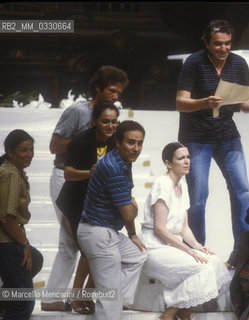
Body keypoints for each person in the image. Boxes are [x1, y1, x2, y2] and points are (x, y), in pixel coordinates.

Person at [176, 19, 249, 245]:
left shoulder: (239, 64)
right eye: (218, 44)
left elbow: (245, 105)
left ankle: (244, 250)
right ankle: (197, 249)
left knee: (242, 190)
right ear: (206, 42)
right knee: (198, 198)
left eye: (227, 43)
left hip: (227, 135)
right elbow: (181, 103)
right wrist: (206, 102)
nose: (223, 48)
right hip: (196, 137)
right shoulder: (194, 63)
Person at [43, 65, 129, 312]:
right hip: (67, 177)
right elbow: (54, 145)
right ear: (98, 89)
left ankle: (57, 297)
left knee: (74, 242)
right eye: (111, 91)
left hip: (92, 182)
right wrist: (91, 135)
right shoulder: (78, 112)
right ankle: (67, 296)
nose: (115, 96)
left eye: (118, 93)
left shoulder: (111, 116)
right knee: (77, 240)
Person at [140, 142, 230, 320]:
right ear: (168, 163)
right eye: (181, 158)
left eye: (188, 157)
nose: (187, 161)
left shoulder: (183, 185)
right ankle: (170, 314)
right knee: (201, 267)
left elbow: (184, 228)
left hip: (169, 245)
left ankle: (184, 313)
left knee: (213, 261)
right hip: (153, 246)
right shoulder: (163, 184)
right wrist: (189, 251)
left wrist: (198, 246)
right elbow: (159, 228)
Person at [77, 120, 147, 319]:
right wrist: (134, 206)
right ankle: (109, 302)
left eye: (139, 143)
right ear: (118, 142)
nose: (136, 148)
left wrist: (132, 234)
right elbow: (128, 212)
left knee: (138, 255)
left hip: (109, 232)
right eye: (131, 142)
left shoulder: (124, 162)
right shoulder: (114, 167)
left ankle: (110, 297)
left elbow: (127, 206)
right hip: (97, 232)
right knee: (110, 302)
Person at [55, 101, 119, 314]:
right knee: (89, 250)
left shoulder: (116, 142)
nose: (110, 126)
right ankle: (76, 297)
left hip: (100, 200)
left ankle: (87, 296)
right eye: (105, 122)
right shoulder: (81, 141)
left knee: (101, 248)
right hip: (76, 200)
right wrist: (90, 173)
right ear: (94, 122)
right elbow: (67, 173)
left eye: (114, 122)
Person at [0, 129, 43, 320]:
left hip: (8, 238)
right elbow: (7, 219)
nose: (29, 154)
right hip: (5, 241)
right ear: (10, 152)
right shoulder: (10, 174)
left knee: (36, 258)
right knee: (24, 302)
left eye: (31, 149)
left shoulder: (13, 170)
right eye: (24, 150)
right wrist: (24, 244)